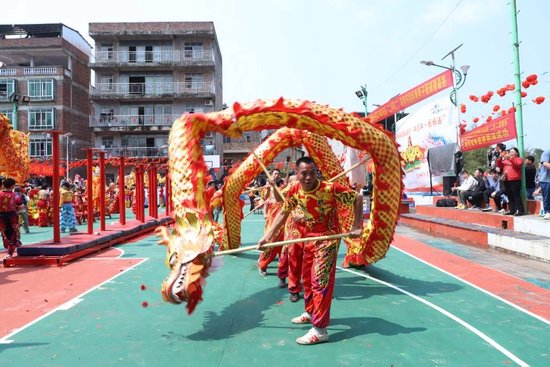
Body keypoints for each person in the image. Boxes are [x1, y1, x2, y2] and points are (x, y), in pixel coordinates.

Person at [257, 156, 363, 345]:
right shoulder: (295, 190)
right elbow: (284, 212)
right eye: (304, 173)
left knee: (319, 281)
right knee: (306, 277)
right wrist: (267, 238)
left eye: (312, 173)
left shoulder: (330, 189)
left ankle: (320, 330)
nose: (308, 177)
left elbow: (357, 197)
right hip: (308, 239)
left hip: (327, 239)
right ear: (297, 174)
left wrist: (356, 226)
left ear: (316, 172)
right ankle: (310, 311)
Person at [496, 147, 524, 216]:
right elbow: (499, 165)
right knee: (510, 196)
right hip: (507, 179)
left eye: (512, 151)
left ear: (517, 153)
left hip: (515, 179)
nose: (510, 153)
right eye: (510, 152)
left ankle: (520, 211)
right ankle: (512, 210)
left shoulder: (519, 159)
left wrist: (510, 158)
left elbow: (517, 164)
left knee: (516, 195)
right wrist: (500, 157)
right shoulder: (506, 160)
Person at [0, 178, 22, 259]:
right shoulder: (16, 195)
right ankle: (10, 252)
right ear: (13, 186)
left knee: (4, 232)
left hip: (1, 216)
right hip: (12, 216)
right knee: (13, 233)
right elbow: (19, 205)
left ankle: (8, 247)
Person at [537, 148, 550, 220]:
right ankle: (548, 212)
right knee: (547, 197)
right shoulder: (547, 152)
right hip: (547, 179)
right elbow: (545, 164)